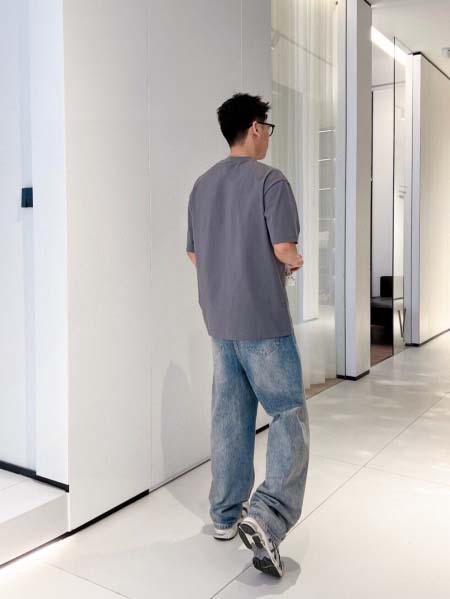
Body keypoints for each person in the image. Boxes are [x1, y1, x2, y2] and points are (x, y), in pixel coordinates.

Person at [186, 93, 309, 579]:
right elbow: (284, 247)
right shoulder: (270, 180)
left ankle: (224, 514)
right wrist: (295, 261)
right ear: (256, 127)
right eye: (267, 129)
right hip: (263, 320)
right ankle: (268, 516)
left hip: (220, 321)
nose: (267, 139)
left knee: (230, 416)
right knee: (287, 413)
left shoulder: (201, 185)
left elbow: (194, 255)